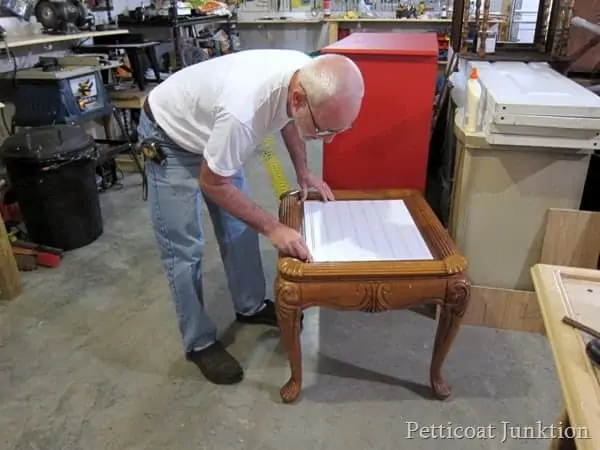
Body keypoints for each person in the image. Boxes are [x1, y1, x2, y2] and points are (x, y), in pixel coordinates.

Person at [137, 48, 365, 385]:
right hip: (170, 138)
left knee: (239, 230)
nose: (328, 139)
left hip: (215, 129)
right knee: (184, 248)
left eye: (337, 130)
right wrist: (273, 228)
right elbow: (213, 182)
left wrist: (303, 172)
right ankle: (199, 342)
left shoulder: (303, 72)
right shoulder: (243, 113)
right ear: (300, 98)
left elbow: (288, 118)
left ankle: (250, 305)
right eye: (323, 131)